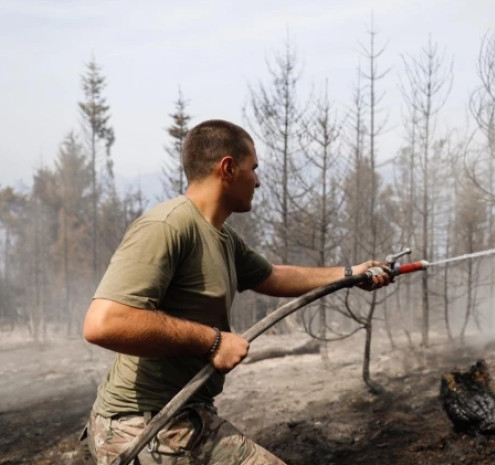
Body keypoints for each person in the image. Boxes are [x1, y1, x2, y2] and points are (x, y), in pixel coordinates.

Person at [82, 119, 391, 464]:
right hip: (141, 427)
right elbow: (104, 323)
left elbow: (272, 276)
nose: (258, 181)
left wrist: (350, 274)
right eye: (253, 169)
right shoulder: (166, 226)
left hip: (181, 416)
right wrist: (212, 342)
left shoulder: (222, 236)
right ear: (227, 168)